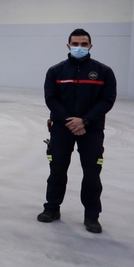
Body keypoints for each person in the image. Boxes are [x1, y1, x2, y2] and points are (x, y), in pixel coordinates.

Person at [38, 29, 117, 233]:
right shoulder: (56, 71)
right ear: (68, 46)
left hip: (91, 130)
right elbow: (51, 99)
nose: (79, 48)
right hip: (62, 129)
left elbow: (107, 100)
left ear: (90, 46)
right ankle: (52, 208)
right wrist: (69, 121)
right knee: (57, 170)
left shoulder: (103, 72)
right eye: (75, 44)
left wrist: (84, 120)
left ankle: (91, 215)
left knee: (92, 174)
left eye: (83, 44)